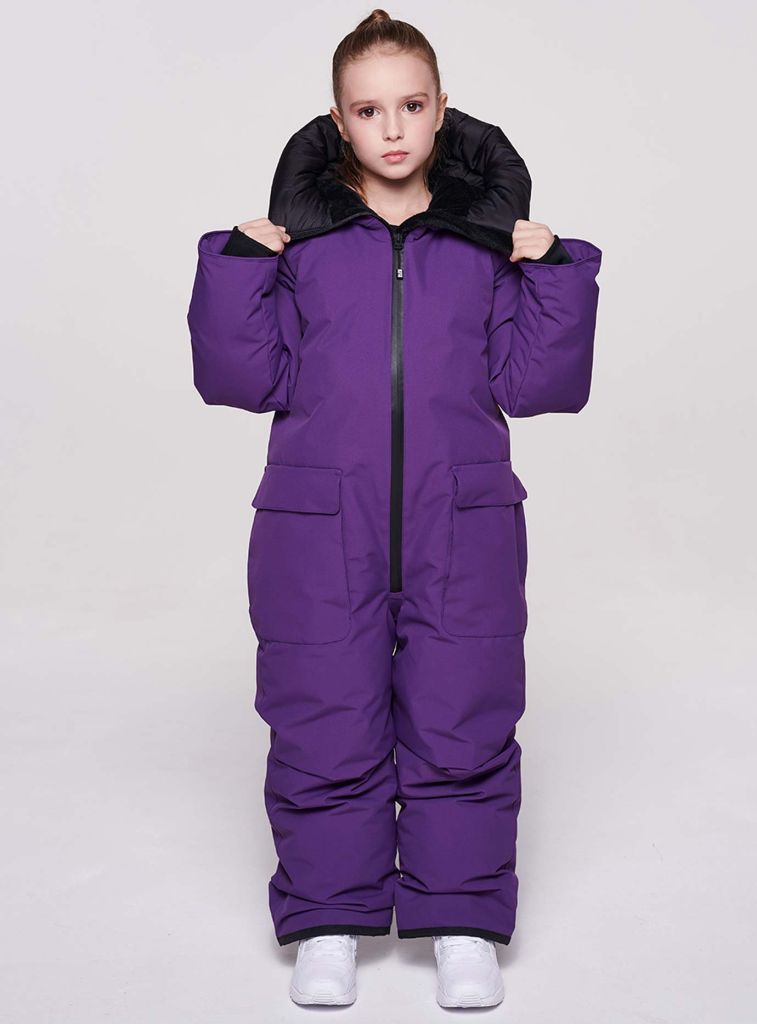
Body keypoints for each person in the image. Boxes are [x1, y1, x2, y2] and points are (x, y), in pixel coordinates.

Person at [186, 8, 602, 1010]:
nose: (394, 129)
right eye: (369, 111)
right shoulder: (305, 245)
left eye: (411, 105)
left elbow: (539, 384)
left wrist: (551, 272)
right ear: (339, 122)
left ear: (442, 109)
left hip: (464, 516)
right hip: (317, 523)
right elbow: (240, 378)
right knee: (323, 710)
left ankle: (462, 918)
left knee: (465, 708)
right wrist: (240, 265)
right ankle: (329, 918)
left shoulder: (481, 244)